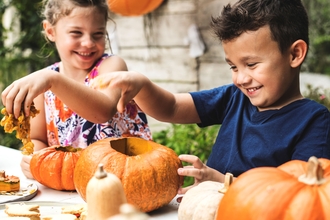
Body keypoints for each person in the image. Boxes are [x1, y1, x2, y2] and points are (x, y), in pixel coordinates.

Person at [90, 0, 330, 193]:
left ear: (295, 54)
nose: (241, 78)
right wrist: (141, 85)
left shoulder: (314, 121)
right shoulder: (235, 97)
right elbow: (172, 107)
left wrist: (225, 183)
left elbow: (302, 195)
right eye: (233, 67)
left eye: (251, 64)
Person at [1, 0, 151, 179]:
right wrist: (34, 159)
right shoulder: (45, 83)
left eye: (98, 34)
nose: (88, 43)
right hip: (73, 185)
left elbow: (103, 111)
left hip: (127, 177)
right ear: (50, 31)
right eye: (76, 33)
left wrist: (52, 80)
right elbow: (38, 139)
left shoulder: (111, 66)